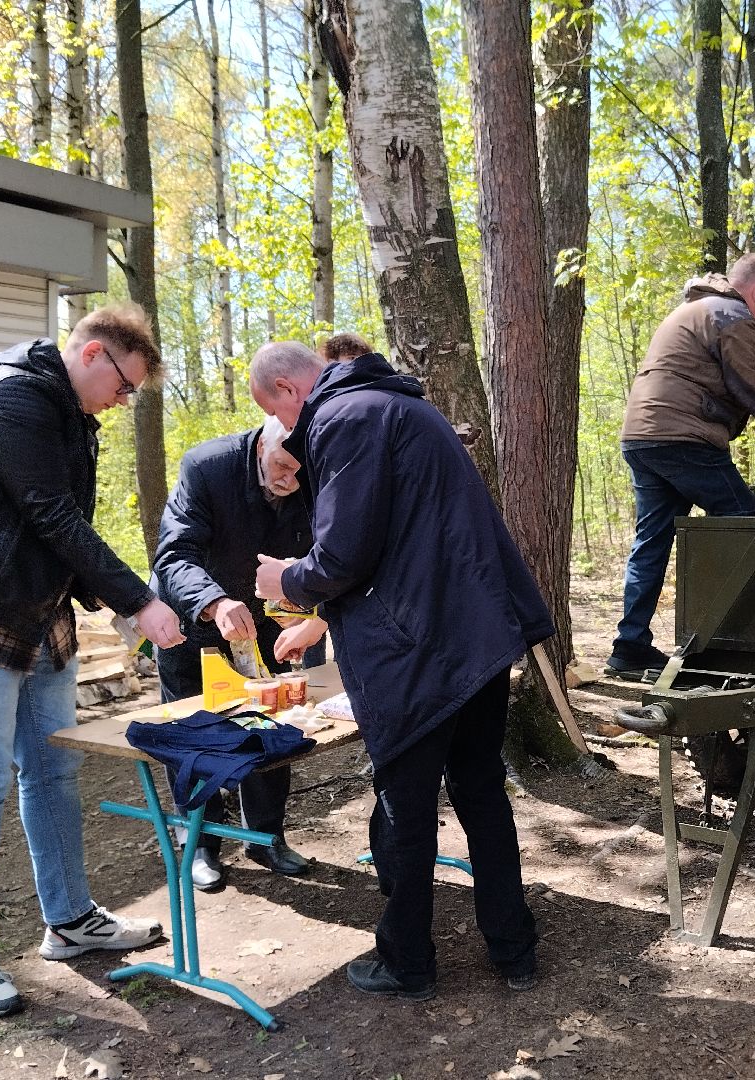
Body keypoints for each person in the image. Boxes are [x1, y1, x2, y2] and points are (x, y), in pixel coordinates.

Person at [0, 304, 186, 1019]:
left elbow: (64, 531)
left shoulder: (67, 413)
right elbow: (47, 512)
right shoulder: (15, 396)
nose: (123, 402)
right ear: (91, 354)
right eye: (123, 387)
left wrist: (111, 603)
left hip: (38, 612)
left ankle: (70, 918)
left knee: (55, 767)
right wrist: (139, 599)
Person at [248, 341, 551, 1001]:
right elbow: (395, 533)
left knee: (406, 807)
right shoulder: (403, 408)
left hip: (418, 650)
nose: (287, 429)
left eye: (276, 412)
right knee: (481, 791)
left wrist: (286, 579)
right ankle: (514, 950)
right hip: (475, 637)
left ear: (287, 388)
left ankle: (408, 962)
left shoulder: (344, 418)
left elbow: (345, 555)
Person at [607, 253, 755, 677]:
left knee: (651, 543)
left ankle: (630, 646)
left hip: (644, 436)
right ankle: (731, 641)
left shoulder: (700, 309)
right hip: (683, 438)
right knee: (747, 529)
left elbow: (728, 376)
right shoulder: (733, 314)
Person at [151, 417, 327, 890]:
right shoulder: (208, 466)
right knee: (196, 735)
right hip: (194, 617)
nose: (289, 480)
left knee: (271, 724)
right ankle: (201, 843)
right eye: (280, 466)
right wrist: (212, 601)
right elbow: (174, 554)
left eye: (299, 472)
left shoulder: (315, 469)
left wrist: (311, 611)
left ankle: (265, 835)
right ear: (261, 442)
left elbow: (325, 549)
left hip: (267, 622)